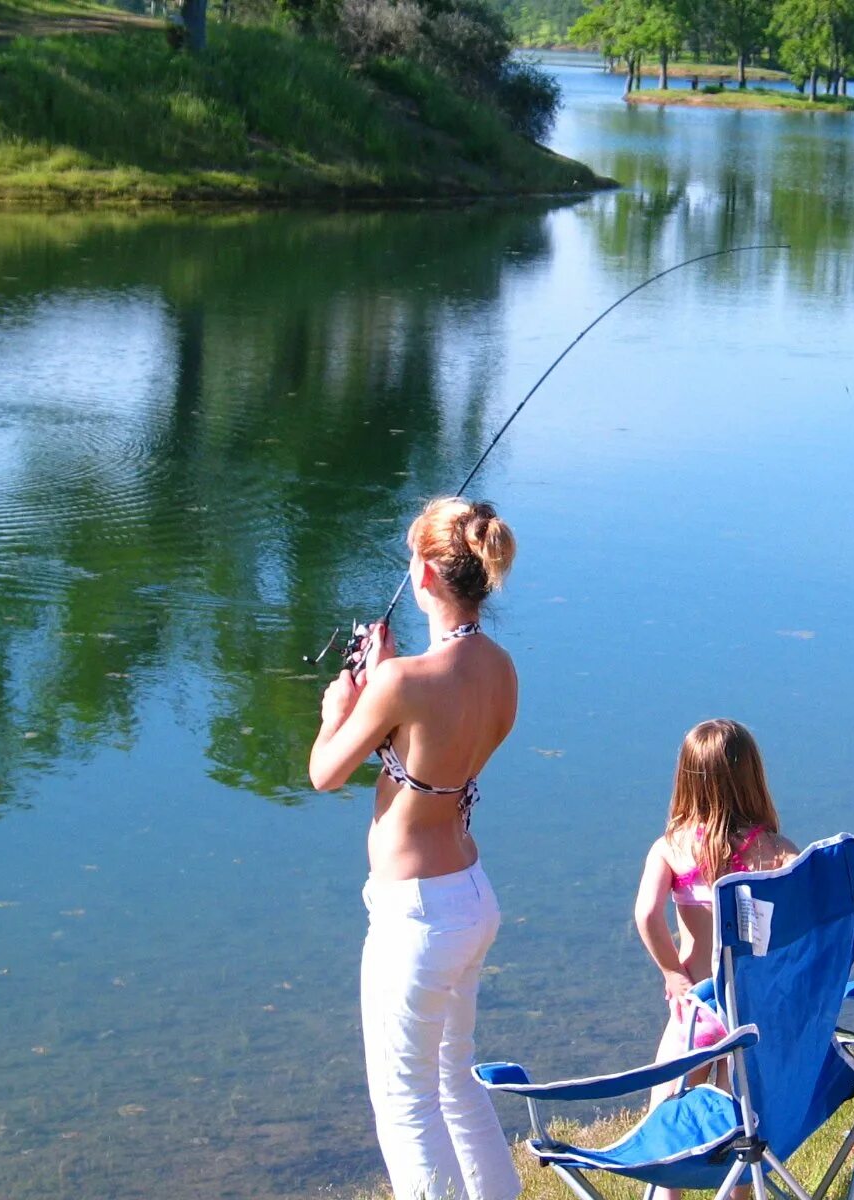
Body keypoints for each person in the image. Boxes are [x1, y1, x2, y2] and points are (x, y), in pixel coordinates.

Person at [309, 497, 520, 1200]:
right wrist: (386, 689)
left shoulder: (401, 684)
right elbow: (438, 742)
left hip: (417, 917)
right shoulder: (500, 672)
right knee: (454, 1080)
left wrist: (342, 710)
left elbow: (324, 772)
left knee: (406, 1104)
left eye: (411, 558)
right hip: (469, 896)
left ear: (427, 573)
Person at [633, 719, 798, 1123]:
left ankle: (665, 1184)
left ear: (686, 780)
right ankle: (738, 1183)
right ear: (752, 778)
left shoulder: (671, 848)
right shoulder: (777, 851)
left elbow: (647, 914)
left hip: (698, 1006)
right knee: (737, 1125)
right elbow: (798, 918)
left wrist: (672, 973)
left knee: (666, 1117)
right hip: (751, 1008)